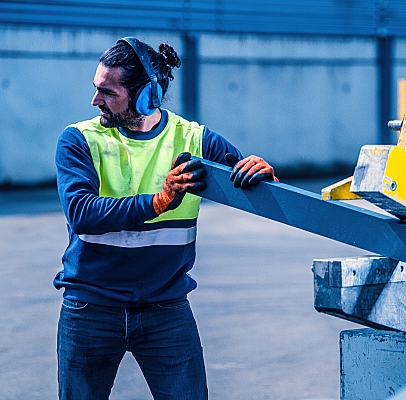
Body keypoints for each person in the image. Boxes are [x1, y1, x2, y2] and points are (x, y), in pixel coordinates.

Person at [54, 36, 277, 400]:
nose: (96, 101)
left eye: (108, 93)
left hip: (165, 310)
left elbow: (255, 186)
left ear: (146, 96)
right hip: (90, 309)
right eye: (97, 89)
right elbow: (82, 213)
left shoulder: (195, 139)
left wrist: (264, 174)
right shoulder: (80, 140)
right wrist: (159, 201)